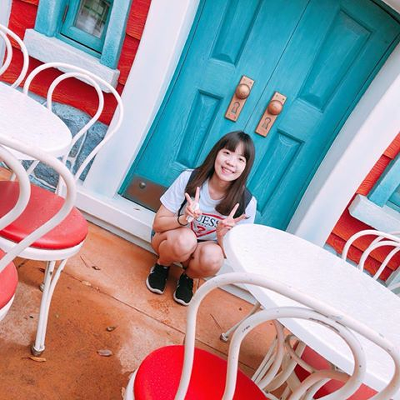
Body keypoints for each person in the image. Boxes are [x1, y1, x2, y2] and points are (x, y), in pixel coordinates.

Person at [146, 131, 257, 305]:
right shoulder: (190, 178)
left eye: (240, 159)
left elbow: (228, 256)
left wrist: (221, 235)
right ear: (216, 153)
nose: (231, 162)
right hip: (169, 240)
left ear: (246, 167)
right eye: (227, 153)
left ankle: (188, 277)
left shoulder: (246, 202)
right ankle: (162, 265)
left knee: (214, 257)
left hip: (201, 252)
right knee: (186, 239)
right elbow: (158, 224)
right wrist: (184, 218)